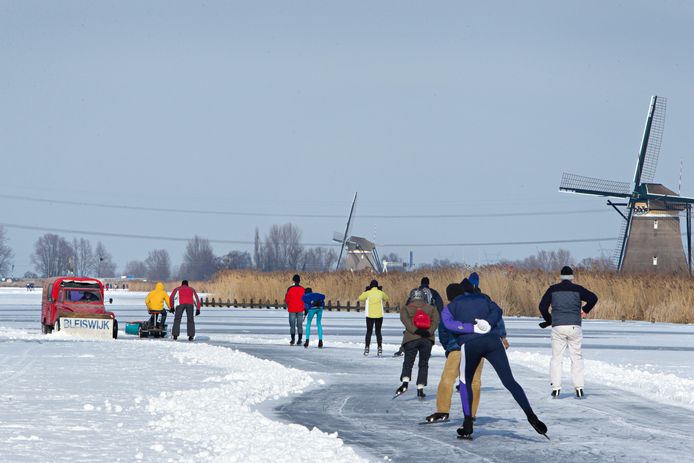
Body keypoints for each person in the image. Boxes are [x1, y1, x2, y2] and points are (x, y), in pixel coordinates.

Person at [442, 278, 547, 439]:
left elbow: (449, 325)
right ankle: (531, 415)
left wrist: (471, 328)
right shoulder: (483, 298)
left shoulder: (449, 308)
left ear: (449, 296)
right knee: (509, 381)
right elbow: (497, 311)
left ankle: (468, 423)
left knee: (465, 381)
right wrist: (486, 323)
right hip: (493, 342)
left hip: (470, 344)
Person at [538, 265, 598, 399]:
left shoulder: (552, 290)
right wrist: (585, 310)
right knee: (576, 357)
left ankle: (556, 388)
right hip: (574, 327)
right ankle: (579, 388)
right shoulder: (578, 289)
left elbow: (542, 306)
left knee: (556, 358)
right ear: (572, 277)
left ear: (560, 277)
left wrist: (550, 319)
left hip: (558, 327)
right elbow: (593, 298)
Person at [468, 272, 510, 420]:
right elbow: (497, 319)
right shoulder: (486, 300)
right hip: (484, 341)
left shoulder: (462, 299)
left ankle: (467, 413)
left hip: (466, 342)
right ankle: (471, 414)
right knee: (475, 379)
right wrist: (503, 336)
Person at [425, 283, 463, 423]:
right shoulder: (470, 308)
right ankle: (470, 414)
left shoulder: (448, 310)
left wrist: (449, 347)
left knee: (447, 379)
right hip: (474, 348)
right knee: (471, 382)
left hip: (457, 349)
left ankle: (442, 410)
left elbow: (443, 333)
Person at [393, 289, 439, 399]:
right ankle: (420, 388)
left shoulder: (406, 308)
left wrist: (415, 330)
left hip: (411, 339)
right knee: (423, 363)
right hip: (427, 339)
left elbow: (405, 320)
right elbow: (436, 321)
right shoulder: (431, 308)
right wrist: (428, 332)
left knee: (408, 362)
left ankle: (405, 383)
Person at [394, 277, 443, 357]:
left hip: (415, 315)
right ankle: (426, 351)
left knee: (409, 332)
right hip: (428, 315)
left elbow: (408, 303)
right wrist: (439, 316)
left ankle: (402, 350)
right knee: (427, 332)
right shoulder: (433, 292)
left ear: (421, 283)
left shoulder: (416, 292)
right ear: (428, 283)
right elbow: (439, 304)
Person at [358, 279, 389, 357]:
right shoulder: (381, 293)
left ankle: (367, 348)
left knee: (369, 332)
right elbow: (386, 298)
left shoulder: (368, 293)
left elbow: (360, 298)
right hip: (379, 315)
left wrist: (366, 291)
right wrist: (381, 291)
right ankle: (379, 348)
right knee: (378, 332)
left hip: (369, 315)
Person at [284, 274, 305, 346]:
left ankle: (292, 340)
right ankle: (299, 339)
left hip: (292, 309)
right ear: (299, 281)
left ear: (293, 280)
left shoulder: (290, 289)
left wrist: (289, 304)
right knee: (300, 325)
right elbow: (305, 299)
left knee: (292, 325)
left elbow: (287, 299)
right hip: (300, 309)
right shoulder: (303, 289)